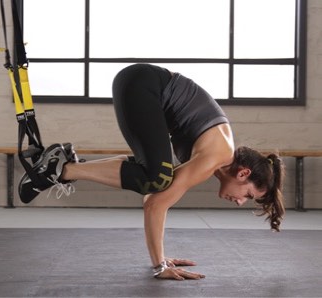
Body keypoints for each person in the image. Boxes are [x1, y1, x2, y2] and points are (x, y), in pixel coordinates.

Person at [19, 63, 286, 280]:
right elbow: (156, 203)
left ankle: (60, 166)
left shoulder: (214, 155)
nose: (239, 201)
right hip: (144, 85)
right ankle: (61, 169)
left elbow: (153, 198)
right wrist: (159, 265)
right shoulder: (218, 155)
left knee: (154, 177)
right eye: (248, 195)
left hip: (139, 82)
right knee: (155, 178)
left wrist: (161, 257)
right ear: (243, 174)